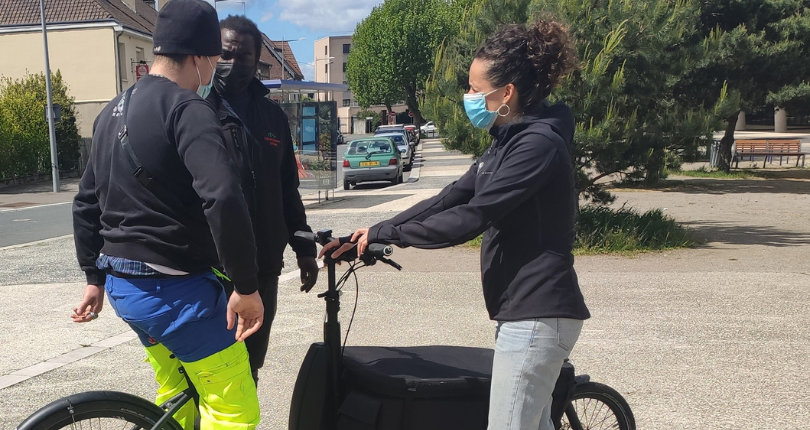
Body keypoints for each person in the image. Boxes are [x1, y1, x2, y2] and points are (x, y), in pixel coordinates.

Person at [320, 18, 590, 430]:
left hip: (539, 311)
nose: (467, 97)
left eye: (475, 90)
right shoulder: (505, 143)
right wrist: (374, 230)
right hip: (521, 312)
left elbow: (472, 217)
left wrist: (392, 236)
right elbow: (450, 197)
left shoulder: (537, 145)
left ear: (507, 93)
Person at [71, 1, 262, 429]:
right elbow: (223, 195)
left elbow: (86, 202)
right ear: (198, 57)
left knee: (179, 390)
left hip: (124, 288)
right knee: (234, 408)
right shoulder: (188, 109)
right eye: (214, 60)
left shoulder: (110, 112)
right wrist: (246, 286)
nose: (213, 72)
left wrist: (92, 278)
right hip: (175, 293)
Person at [212, 15, 319, 384]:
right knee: (211, 368)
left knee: (250, 364)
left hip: (264, 266)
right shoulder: (196, 111)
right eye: (225, 53)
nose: (232, 63)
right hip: (211, 268)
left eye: (242, 56)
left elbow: (288, 188)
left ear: (256, 60)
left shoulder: (272, 115)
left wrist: (304, 247)